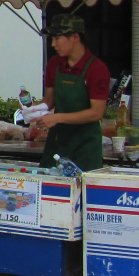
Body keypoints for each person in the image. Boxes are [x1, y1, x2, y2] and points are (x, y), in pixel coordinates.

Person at [37, 14, 110, 172]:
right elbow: (49, 99)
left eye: (57, 38)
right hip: (57, 143)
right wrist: (34, 110)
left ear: (75, 37)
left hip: (85, 147)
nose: (53, 44)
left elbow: (96, 113)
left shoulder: (97, 69)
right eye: (52, 39)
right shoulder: (54, 64)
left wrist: (58, 117)